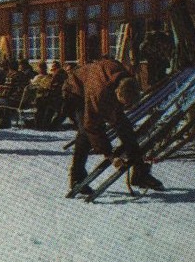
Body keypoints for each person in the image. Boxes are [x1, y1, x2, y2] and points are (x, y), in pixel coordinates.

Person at [68, 57, 160, 194]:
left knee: (125, 128)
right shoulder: (98, 91)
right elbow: (91, 125)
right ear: (117, 93)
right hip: (76, 91)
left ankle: (140, 173)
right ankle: (77, 176)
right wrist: (110, 155)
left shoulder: (127, 80)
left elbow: (118, 115)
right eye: (123, 104)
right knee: (85, 133)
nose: (123, 107)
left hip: (100, 84)